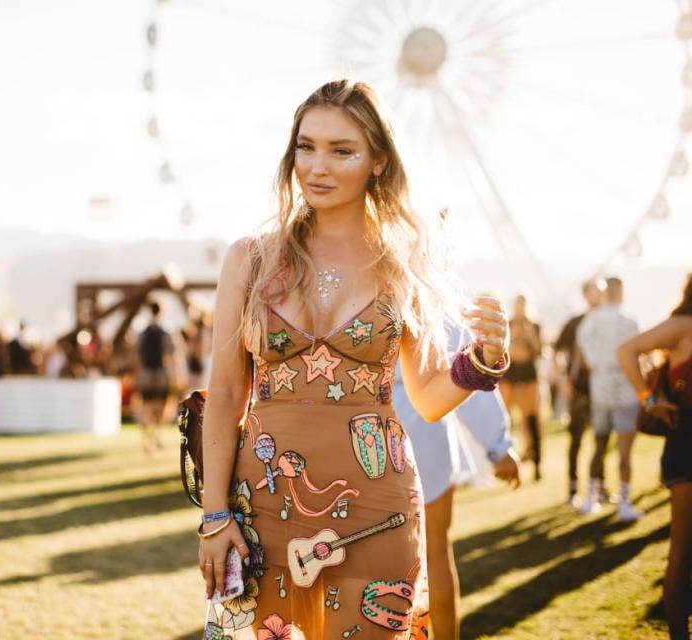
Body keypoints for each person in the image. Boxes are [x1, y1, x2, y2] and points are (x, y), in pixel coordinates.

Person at [197, 79, 510, 640]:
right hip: (259, 504)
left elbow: (429, 397)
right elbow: (224, 394)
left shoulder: (404, 262)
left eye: (342, 150)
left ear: (377, 161)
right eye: (305, 146)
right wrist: (215, 514)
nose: (317, 166)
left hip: (377, 507)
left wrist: (482, 361)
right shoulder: (250, 259)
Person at [393, 324, 520, 640]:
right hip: (425, 434)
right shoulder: (432, 299)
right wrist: (498, 446)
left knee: (377, 559)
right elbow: (468, 368)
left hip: (369, 434)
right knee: (436, 552)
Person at [616, 274, 692, 639]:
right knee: (683, 552)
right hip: (687, 445)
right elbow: (626, 349)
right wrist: (648, 398)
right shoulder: (683, 326)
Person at [576, 276, 642, 521]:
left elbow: (583, 345)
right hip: (624, 386)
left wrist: (595, 363)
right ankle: (624, 502)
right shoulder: (628, 322)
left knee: (599, 444)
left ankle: (590, 497)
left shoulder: (592, 321)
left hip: (601, 385)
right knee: (624, 451)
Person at [554, 279, 608, 505]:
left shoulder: (609, 322)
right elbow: (557, 352)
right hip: (579, 390)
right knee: (576, 438)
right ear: (585, 295)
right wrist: (563, 381)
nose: (597, 296)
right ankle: (573, 489)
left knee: (602, 438)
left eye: (601, 291)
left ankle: (599, 487)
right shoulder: (575, 322)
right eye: (593, 291)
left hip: (603, 388)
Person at [499, 294, 542, 480]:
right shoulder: (507, 324)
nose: (520, 308)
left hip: (528, 379)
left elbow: (539, 350)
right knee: (505, 420)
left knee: (531, 421)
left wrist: (529, 334)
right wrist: (514, 335)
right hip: (509, 379)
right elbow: (501, 351)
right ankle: (506, 459)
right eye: (517, 305)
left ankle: (536, 463)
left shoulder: (535, 326)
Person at [135, 301, 176, 453]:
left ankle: (148, 439)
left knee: (146, 407)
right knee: (161, 407)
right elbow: (172, 354)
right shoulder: (166, 332)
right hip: (160, 372)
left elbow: (136, 354)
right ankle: (156, 436)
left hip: (145, 373)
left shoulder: (142, 333)